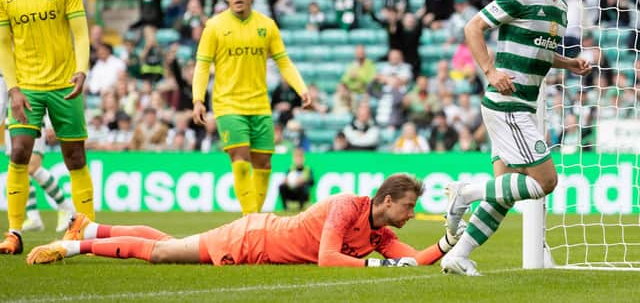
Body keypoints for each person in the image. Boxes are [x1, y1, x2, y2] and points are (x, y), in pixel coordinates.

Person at [441, 0, 592, 276]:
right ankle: (466, 191)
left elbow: (538, 48)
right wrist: (490, 71)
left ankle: (458, 255)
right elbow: (473, 27)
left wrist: (567, 63)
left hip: (516, 105)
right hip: (508, 104)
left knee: (504, 195)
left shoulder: (561, 7)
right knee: (545, 181)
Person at [27, 174, 465, 267]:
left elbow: (418, 260)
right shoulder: (346, 205)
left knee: (171, 240)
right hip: (251, 240)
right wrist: (378, 265)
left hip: (259, 238)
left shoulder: (381, 232)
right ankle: (70, 246)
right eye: (407, 208)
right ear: (386, 200)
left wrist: (449, 241)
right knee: (161, 254)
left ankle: (88, 228)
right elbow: (328, 258)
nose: (410, 216)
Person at [0, 0, 94, 255]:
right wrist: (13, 88)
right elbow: (3, 46)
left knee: (75, 157)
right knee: (19, 152)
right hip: (26, 87)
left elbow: (81, 33)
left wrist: (81, 69)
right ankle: (14, 232)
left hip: (63, 83)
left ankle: (86, 229)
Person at [192, 0, 311, 216]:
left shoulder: (266, 26)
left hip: (260, 105)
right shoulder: (214, 26)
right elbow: (202, 65)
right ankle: (251, 220)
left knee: (264, 164)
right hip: (228, 105)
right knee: (241, 159)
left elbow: (283, 61)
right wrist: (198, 99)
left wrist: (301, 88)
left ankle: (253, 223)